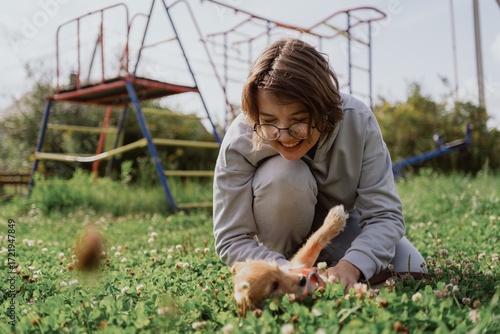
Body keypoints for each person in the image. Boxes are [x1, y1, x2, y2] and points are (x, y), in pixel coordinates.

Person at [213, 37, 425, 291]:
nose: (284, 135)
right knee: (286, 173)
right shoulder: (240, 139)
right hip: (278, 244)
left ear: (325, 107)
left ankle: (332, 269)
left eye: (298, 120)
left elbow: (385, 216)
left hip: (339, 229)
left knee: (413, 267)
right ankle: (289, 281)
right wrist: (286, 270)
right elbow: (231, 237)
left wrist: (352, 265)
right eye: (269, 121)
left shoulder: (359, 121)